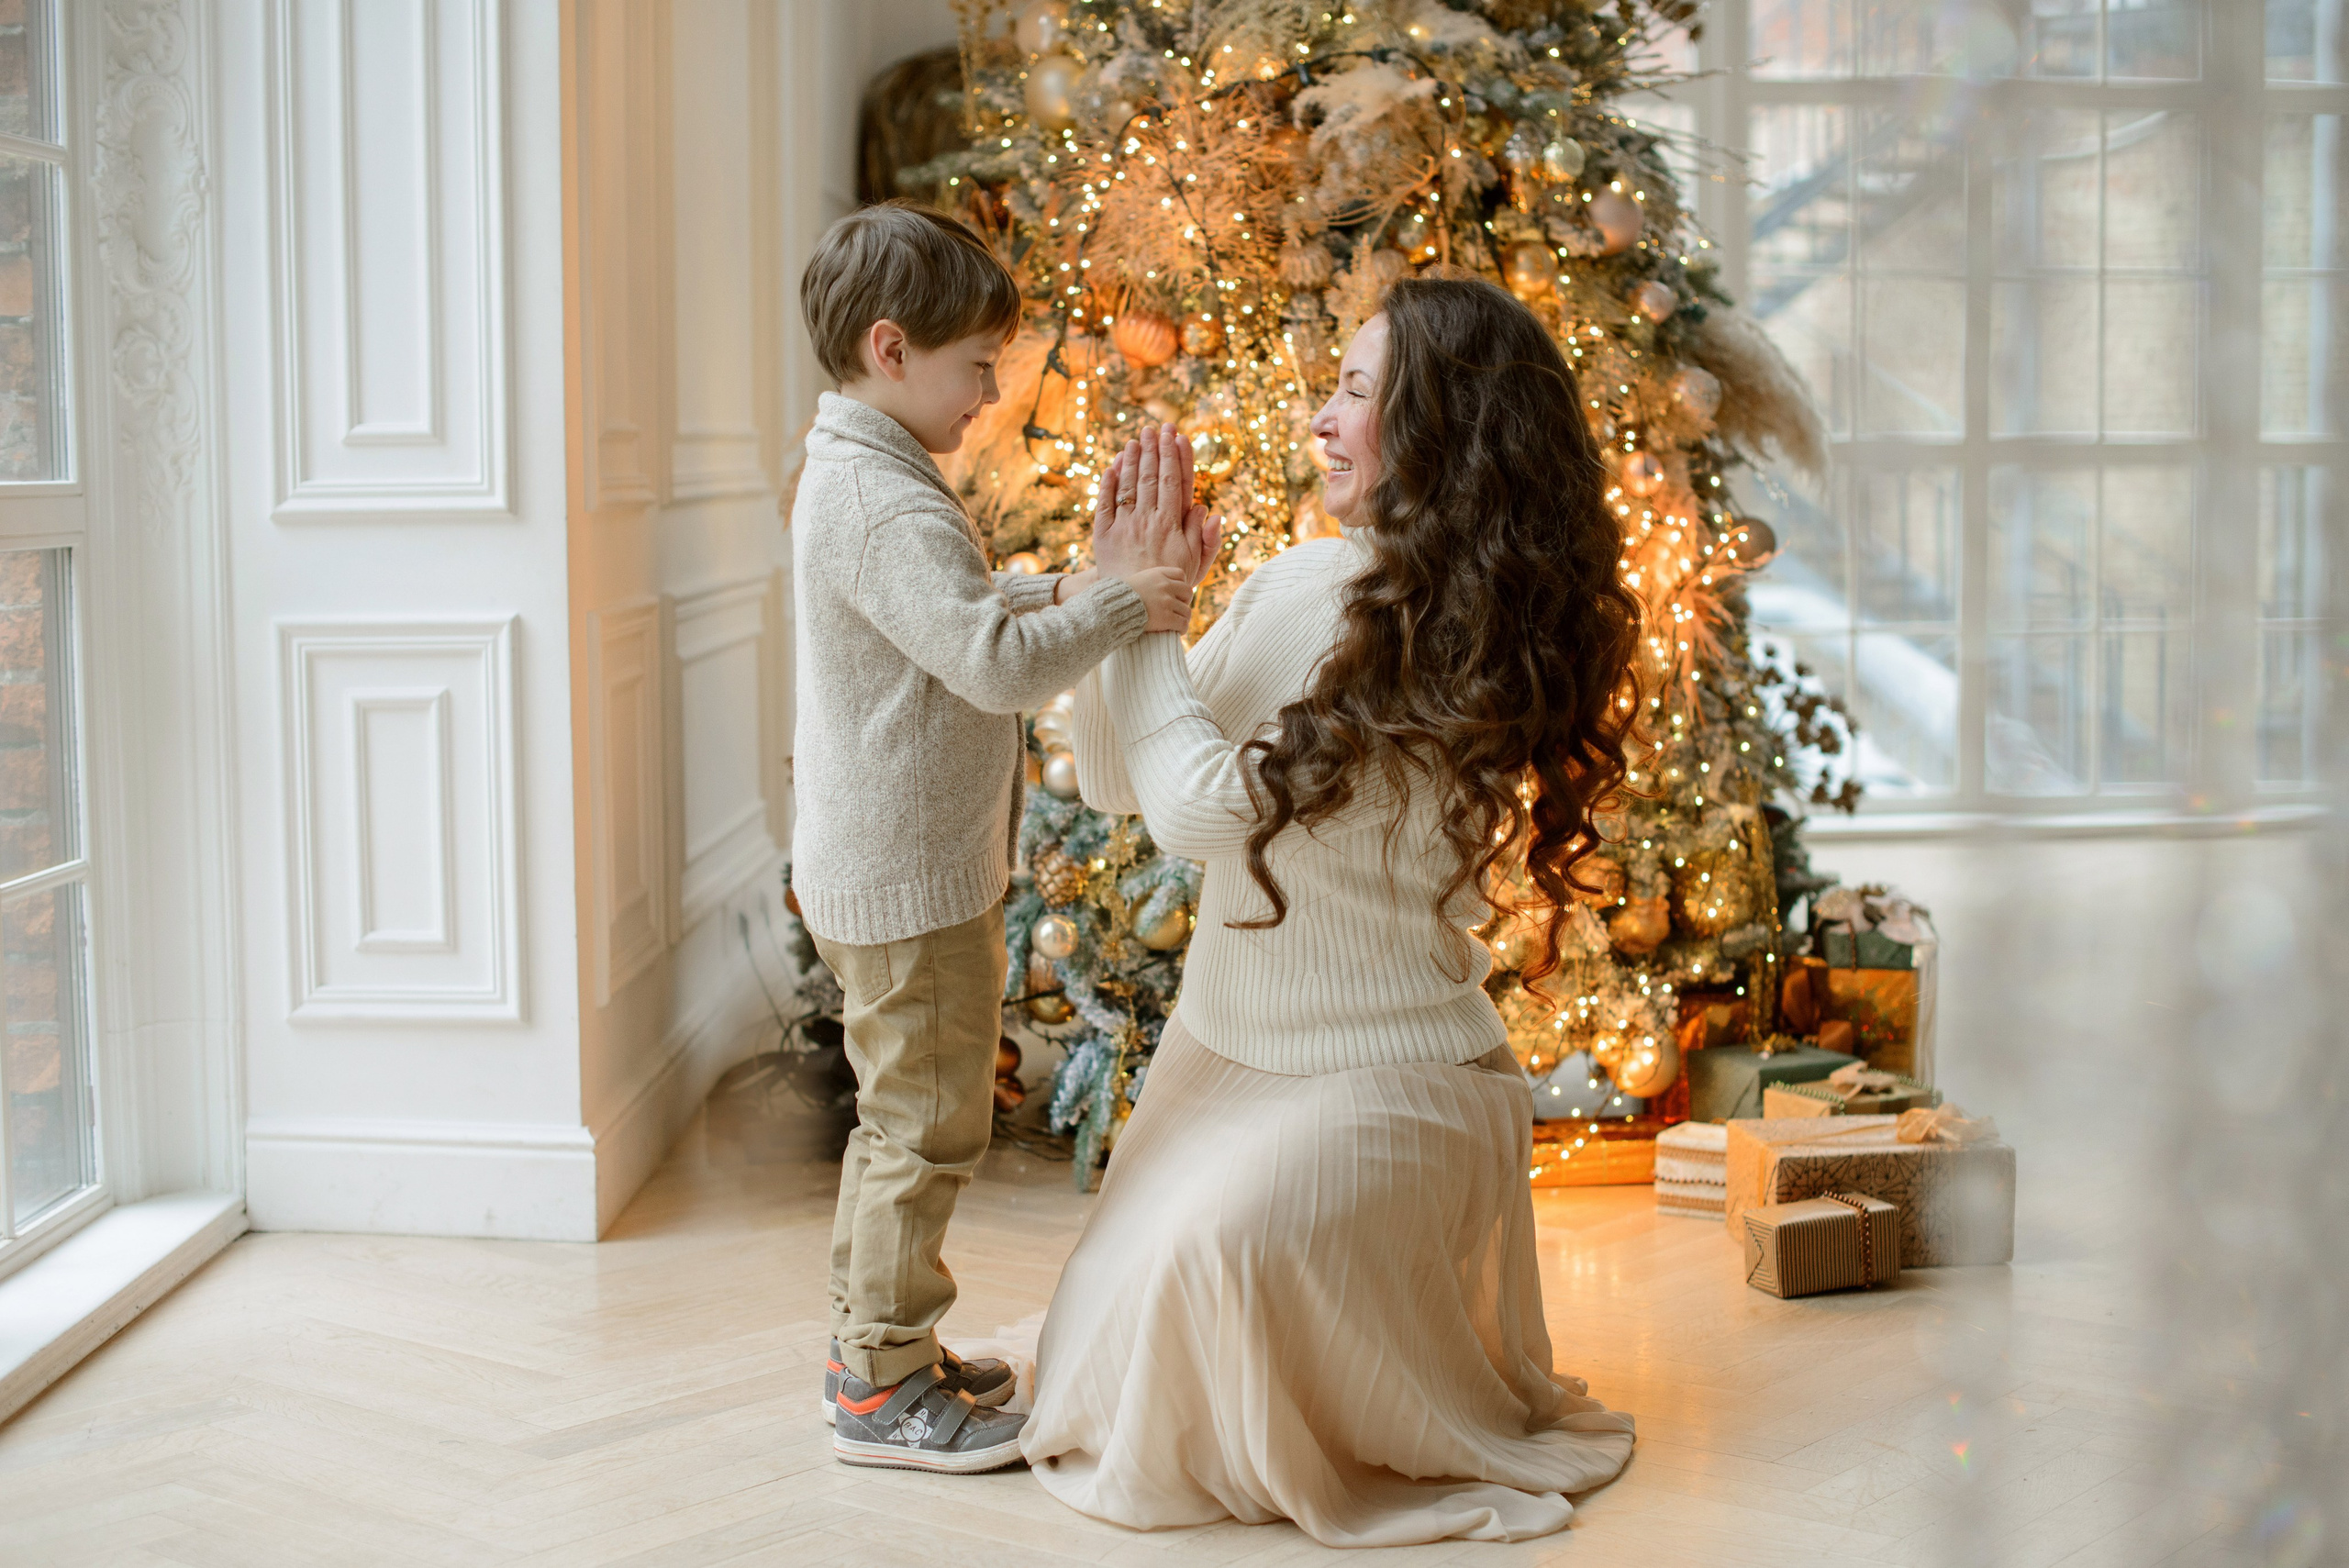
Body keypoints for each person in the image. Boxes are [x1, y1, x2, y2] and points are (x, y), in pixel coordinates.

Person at [1027, 276, 1643, 1543]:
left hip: (1389, 1082)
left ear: (1435, 430)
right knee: (1122, 1318)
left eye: (1356, 392)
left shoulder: (1398, 608)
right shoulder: (1309, 582)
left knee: (1204, 1274)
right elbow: (1117, 777)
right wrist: (1126, 602)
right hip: (1236, 1057)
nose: (1319, 418)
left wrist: (1145, 617)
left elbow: (1197, 814)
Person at [789, 201, 1193, 1473]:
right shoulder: (884, 502)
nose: (988, 396)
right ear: (893, 350)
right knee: (922, 1125)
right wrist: (1122, 604)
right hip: (904, 881)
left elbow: (957, 611)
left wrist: (1059, 588)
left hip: (894, 867)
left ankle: (884, 1351)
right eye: (976, 369)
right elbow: (990, 661)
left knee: (913, 1115)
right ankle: (879, 1384)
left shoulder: (869, 471)